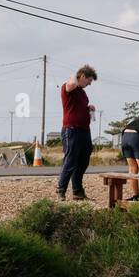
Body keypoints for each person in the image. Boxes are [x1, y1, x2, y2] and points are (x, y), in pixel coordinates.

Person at [57, 65, 98, 200]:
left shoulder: (82, 92)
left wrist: (88, 108)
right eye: (89, 80)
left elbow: (77, 106)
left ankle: (77, 191)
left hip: (84, 130)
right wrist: (75, 75)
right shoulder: (68, 86)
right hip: (71, 129)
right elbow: (72, 83)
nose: (90, 84)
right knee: (70, 160)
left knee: (83, 161)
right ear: (83, 77)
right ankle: (61, 190)